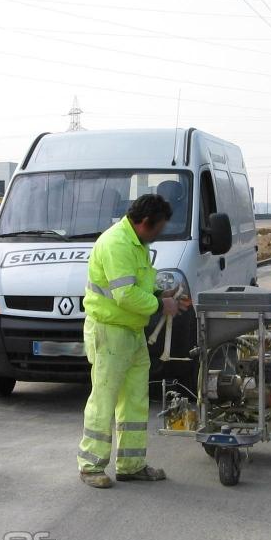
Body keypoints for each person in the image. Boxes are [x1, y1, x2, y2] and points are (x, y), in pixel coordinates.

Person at [77, 194, 190, 488]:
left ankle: (131, 465)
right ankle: (91, 467)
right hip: (110, 331)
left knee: (135, 401)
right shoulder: (116, 244)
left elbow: (141, 286)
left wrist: (165, 296)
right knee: (104, 400)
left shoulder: (138, 244)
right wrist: (160, 306)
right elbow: (124, 295)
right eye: (158, 228)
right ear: (143, 223)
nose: (159, 234)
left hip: (132, 333)